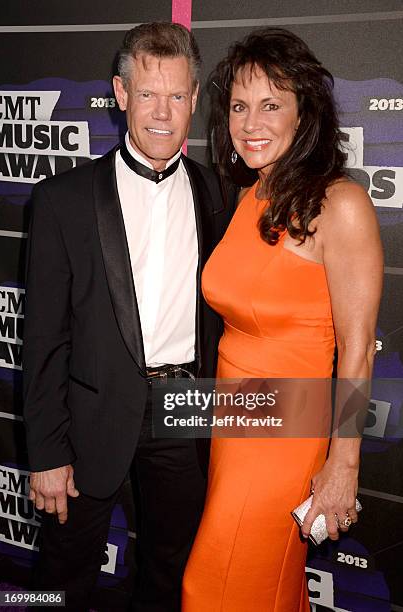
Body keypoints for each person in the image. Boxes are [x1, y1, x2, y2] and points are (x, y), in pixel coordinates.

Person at [23, 22, 232, 612]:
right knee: (59, 576)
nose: (162, 112)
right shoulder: (63, 200)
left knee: (171, 572)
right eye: (147, 94)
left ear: (194, 100)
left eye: (176, 95)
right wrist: (45, 454)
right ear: (120, 93)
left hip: (187, 409)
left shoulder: (222, 197)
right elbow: (42, 339)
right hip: (88, 417)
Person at [182, 28, 383, 611]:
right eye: (240, 107)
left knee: (216, 588)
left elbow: (358, 350)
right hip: (233, 417)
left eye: (271, 105)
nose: (251, 123)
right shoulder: (253, 192)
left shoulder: (339, 205)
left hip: (287, 428)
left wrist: (343, 465)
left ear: (305, 112)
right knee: (265, 585)